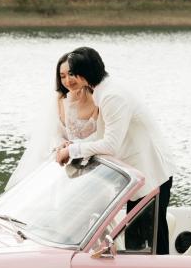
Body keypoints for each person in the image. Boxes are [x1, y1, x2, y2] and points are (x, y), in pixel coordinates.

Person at [55, 47, 175, 255]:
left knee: (152, 243)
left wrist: (73, 150)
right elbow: (103, 134)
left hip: (152, 175)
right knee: (137, 241)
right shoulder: (104, 91)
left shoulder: (112, 96)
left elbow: (110, 145)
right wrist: (72, 145)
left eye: (73, 73)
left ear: (83, 75)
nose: (70, 79)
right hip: (138, 176)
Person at [5, 53, 99, 190]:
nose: (68, 81)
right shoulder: (59, 99)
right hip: (65, 161)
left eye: (71, 74)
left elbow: (102, 135)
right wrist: (62, 144)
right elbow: (55, 133)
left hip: (94, 164)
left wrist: (74, 146)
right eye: (62, 76)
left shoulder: (98, 98)